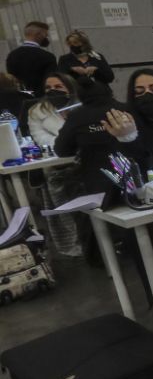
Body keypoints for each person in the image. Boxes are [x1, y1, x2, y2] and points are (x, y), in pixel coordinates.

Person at [26, 75, 84, 255]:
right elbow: (42, 140)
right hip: (57, 168)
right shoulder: (37, 112)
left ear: (70, 88)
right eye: (48, 87)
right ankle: (75, 242)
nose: (53, 90)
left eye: (58, 86)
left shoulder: (83, 106)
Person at [6, 21, 57, 93]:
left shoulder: (12, 55)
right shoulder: (47, 57)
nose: (47, 37)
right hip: (41, 98)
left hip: (22, 98)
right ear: (39, 35)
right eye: (46, 34)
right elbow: (51, 81)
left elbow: (12, 80)